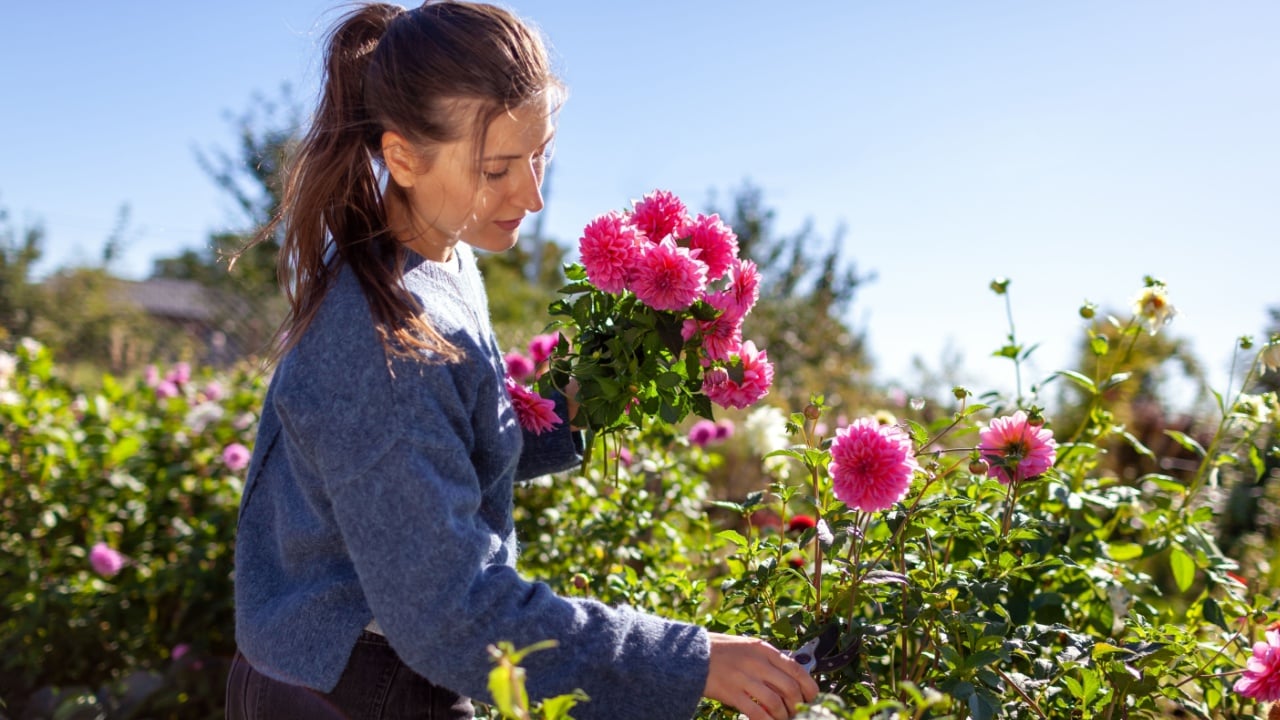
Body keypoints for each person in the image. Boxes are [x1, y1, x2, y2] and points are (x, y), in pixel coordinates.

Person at [225, 3, 819, 719]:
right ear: (404, 156)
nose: (532, 195)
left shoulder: (438, 256)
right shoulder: (379, 343)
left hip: (368, 666)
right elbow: (453, 610)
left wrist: (577, 406)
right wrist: (691, 660)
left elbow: (441, 448)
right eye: (498, 168)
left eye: (541, 155)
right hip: (348, 689)